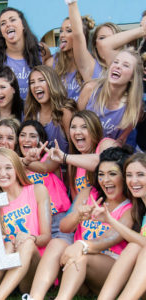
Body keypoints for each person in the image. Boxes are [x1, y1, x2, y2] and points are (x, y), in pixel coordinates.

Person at [54, 147, 133, 300]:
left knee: (81, 257)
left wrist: (82, 245)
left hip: (110, 267)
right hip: (78, 264)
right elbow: (64, 227)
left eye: (112, 174)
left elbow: (111, 238)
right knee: (58, 246)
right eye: (101, 174)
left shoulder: (129, 207)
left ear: (124, 176)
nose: (105, 180)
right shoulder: (89, 193)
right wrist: (78, 215)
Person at [0, 148, 51, 299]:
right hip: (5, 268)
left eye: (8, 167)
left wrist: (31, 238)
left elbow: (46, 237)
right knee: (8, 245)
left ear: (17, 168)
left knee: (26, 242)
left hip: (32, 270)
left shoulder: (37, 190)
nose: (2, 173)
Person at [95, 153, 146, 300]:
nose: (133, 181)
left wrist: (112, 221)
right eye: (129, 175)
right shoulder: (140, 208)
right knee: (133, 248)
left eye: (140, 175)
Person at [78, 48, 143, 144]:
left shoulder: (135, 107)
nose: (118, 66)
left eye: (125, 65)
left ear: (133, 77)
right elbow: (74, 126)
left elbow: (120, 142)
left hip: (108, 155)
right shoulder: (90, 89)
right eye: (116, 62)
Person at [0, 7, 50, 99]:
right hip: (9, 112)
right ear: (1, 32)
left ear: (23, 25)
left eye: (12, 20)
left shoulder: (42, 50)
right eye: (3, 23)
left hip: (36, 110)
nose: (8, 25)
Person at [46, 1, 100, 101]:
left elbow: (78, 34)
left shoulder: (89, 63)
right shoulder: (51, 63)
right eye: (61, 31)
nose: (62, 35)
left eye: (69, 31)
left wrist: (71, 3)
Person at [25, 65, 77, 152]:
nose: (36, 85)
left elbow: (74, 150)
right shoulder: (32, 113)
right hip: (39, 165)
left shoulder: (64, 113)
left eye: (41, 80)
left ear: (52, 83)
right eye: (32, 82)